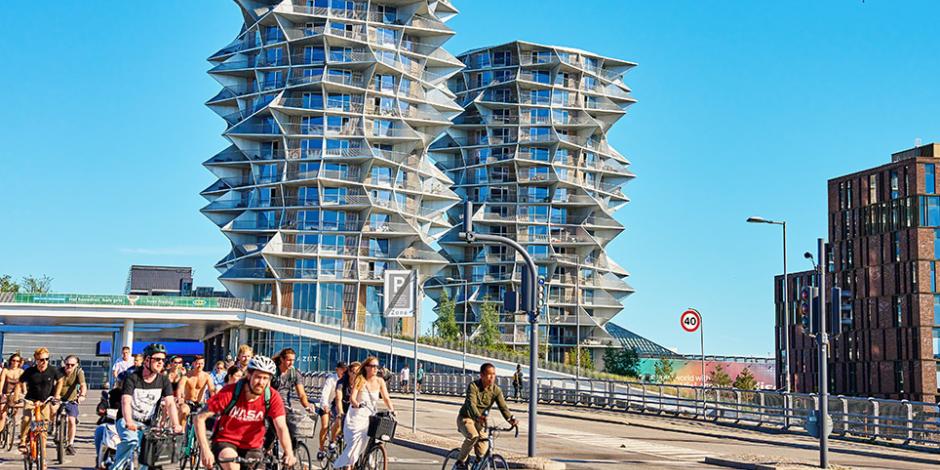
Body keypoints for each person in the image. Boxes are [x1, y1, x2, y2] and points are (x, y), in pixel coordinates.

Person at [195, 355, 296, 470]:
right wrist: (205, 450)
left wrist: (288, 453)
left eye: (265, 378)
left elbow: (281, 427)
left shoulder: (272, 396)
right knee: (232, 465)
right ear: (249, 375)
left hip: (253, 447)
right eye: (258, 377)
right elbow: (199, 418)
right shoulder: (230, 392)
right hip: (226, 442)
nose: (261, 382)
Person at [111, 343, 182, 470]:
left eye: (163, 359)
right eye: (157, 359)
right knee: (130, 440)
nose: (161, 362)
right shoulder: (132, 378)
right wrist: (128, 422)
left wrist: (176, 424)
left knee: (147, 457)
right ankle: (116, 468)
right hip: (126, 420)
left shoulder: (163, 380)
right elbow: (126, 401)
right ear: (147, 360)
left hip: (148, 424)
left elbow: (170, 403)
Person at [334, 357, 395, 470]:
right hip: (357, 415)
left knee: (376, 435)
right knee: (356, 442)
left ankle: (369, 457)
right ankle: (349, 465)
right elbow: (352, 397)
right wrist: (356, 403)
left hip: (371, 415)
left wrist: (392, 409)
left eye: (377, 366)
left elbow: (386, 398)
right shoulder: (360, 379)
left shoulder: (380, 381)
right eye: (373, 366)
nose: (375, 368)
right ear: (366, 367)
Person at [453, 363, 517, 470]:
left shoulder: (496, 390)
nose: (492, 377)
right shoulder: (473, 386)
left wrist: (511, 419)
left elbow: (503, 407)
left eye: (494, 374)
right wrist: (478, 416)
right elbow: (471, 404)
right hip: (466, 418)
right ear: (482, 375)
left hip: (481, 422)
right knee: (473, 436)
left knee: (482, 451)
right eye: (489, 374)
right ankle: (460, 462)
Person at [19, 347, 63, 454]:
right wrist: (22, 392)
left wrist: (56, 394)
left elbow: (60, 380)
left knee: (42, 431)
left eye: (47, 359)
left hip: (45, 401)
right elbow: (21, 381)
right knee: (26, 418)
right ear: (36, 359)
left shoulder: (52, 370)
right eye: (41, 359)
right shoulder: (30, 371)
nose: (44, 362)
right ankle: (23, 441)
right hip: (31, 400)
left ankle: (42, 459)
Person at [56, 355, 87, 455]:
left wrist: (82, 395)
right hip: (58, 399)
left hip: (71, 400)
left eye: (72, 365)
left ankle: (70, 444)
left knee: (71, 421)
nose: (69, 367)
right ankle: (54, 429)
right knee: (52, 412)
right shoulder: (59, 372)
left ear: (76, 365)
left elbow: (83, 385)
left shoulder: (78, 372)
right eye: (67, 364)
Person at [316, 361, 346, 460]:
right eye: (342, 369)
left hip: (337, 405)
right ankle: (321, 449)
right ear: (337, 369)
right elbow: (325, 393)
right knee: (325, 426)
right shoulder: (331, 379)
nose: (344, 371)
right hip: (326, 404)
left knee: (341, 424)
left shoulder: (346, 380)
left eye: (345, 369)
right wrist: (325, 405)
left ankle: (335, 441)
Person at [180, 355, 216, 424]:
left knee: (203, 418)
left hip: (200, 403)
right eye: (198, 363)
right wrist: (180, 397)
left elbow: (211, 389)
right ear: (193, 364)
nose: (200, 366)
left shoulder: (207, 376)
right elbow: (181, 387)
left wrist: (214, 399)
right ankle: (182, 432)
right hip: (188, 402)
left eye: (202, 364)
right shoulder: (187, 376)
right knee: (183, 411)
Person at [0, 353, 25, 437]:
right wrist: (0, 393)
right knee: (2, 414)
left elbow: (23, 384)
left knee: (16, 408)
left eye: (17, 361)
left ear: (19, 362)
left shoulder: (21, 372)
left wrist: (25, 393)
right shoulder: (5, 370)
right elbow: (1, 382)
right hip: (5, 393)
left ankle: (12, 421)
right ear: (10, 361)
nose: (15, 362)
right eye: (13, 360)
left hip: (15, 394)